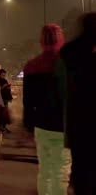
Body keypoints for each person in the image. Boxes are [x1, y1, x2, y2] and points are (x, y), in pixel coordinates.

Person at [23, 24, 70, 195]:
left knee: (45, 171)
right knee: (61, 172)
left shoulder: (31, 66)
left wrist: (29, 124)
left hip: (41, 126)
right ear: (61, 40)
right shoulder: (67, 66)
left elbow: (27, 102)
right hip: (63, 126)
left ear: (41, 41)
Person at [57, 13, 96, 194]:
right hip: (84, 118)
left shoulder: (69, 51)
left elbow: (61, 88)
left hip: (78, 120)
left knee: (81, 169)